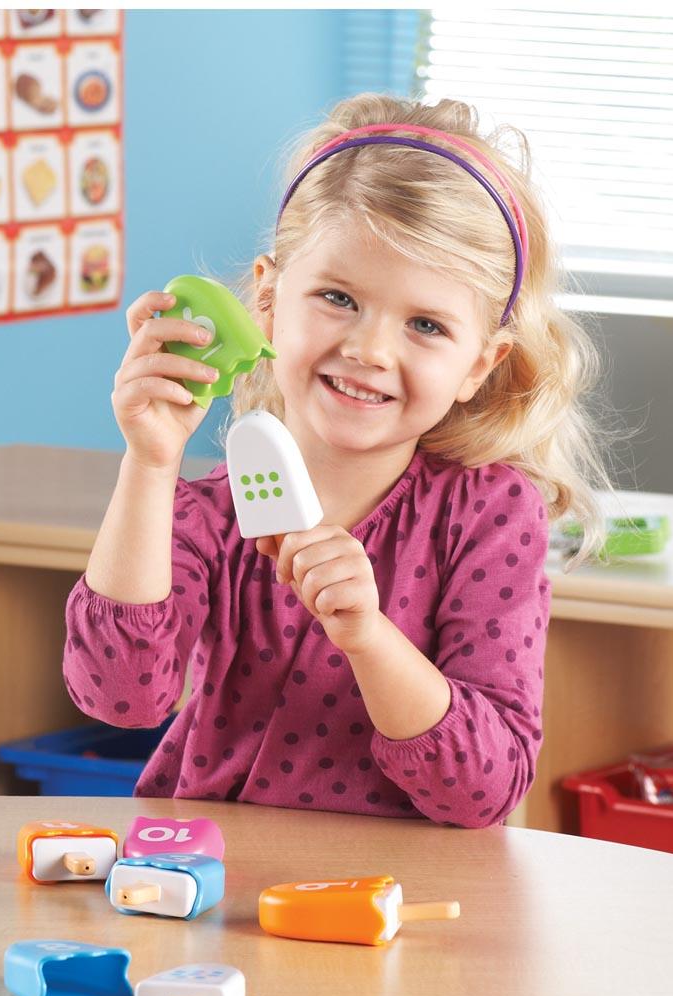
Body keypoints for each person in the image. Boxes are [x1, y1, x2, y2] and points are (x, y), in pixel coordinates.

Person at [64, 93, 611, 827]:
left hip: (401, 908)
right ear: (266, 297)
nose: (370, 350)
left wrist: (368, 637)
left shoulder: (489, 514)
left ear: (481, 364)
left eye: (425, 324)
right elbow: (120, 696)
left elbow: (483, 791)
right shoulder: (205, 512)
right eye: (336, 297)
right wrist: (150, 465)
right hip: (214, 883)